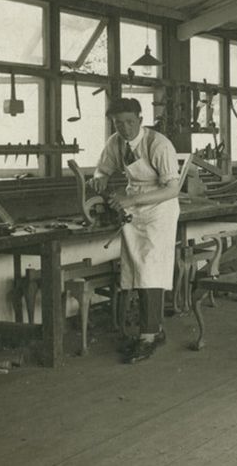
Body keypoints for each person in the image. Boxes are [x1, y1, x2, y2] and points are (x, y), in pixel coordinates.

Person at [89, 97, 181, 364]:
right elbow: (102, 168)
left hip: (159, 209)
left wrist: (131, 200)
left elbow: (172, 189)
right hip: (134, 210)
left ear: (141, 119)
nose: (125, 128)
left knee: (150, 270)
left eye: (130, 122)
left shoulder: (158, 144)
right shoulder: (115, 143)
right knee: (137, 271)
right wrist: (99, 178)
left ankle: (149, 337)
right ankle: (152, 330)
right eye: (118, 123)